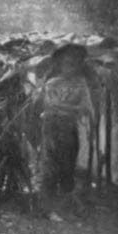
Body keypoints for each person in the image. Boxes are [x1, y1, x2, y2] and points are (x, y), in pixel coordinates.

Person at [38, 43, 94, 221]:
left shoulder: (81, 83)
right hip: (52, 127)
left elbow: (86, 108)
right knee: (50, 168)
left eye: (75, 64)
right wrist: (73, 108)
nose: (71, 68)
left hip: (69, 128)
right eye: (67, 63)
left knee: (68, 168)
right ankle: (48, 209)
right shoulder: (52, 83)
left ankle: (64, 209)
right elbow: (50, 105)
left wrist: (66, 108)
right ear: (60, 64)